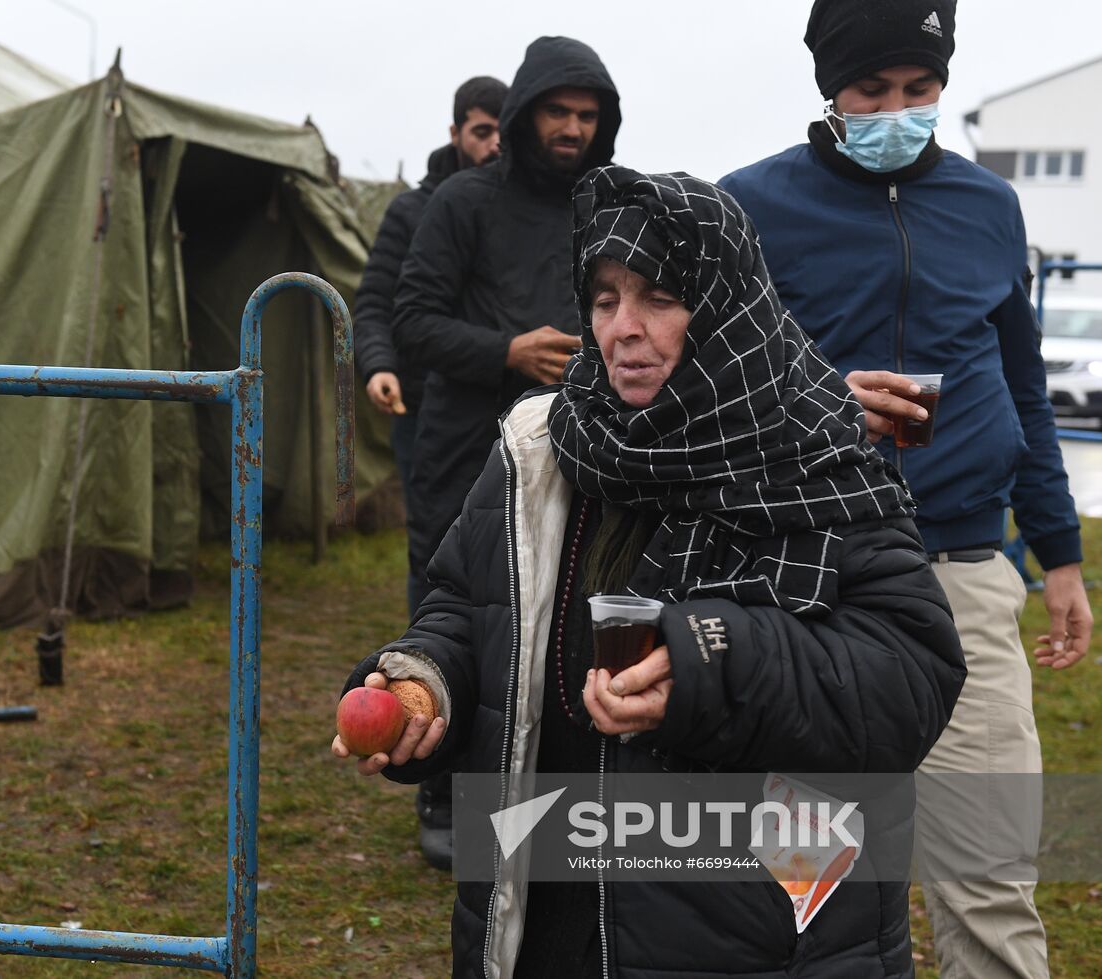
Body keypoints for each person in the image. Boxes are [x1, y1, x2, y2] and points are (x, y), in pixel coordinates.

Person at [333, 167, 966, 978]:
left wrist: (710, 660)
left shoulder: (812, 453)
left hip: (746, 938)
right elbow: (469, 603)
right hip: (546, 922)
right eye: (604, 299)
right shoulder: (544, 448)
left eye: (660, 298)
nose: (623, 328)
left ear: (726, 303)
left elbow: (909, 674)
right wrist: (427, 685)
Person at [720, 3, 1093, 976]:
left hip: (961, 569)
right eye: (871, 92)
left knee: (988, 865)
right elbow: (692, 393)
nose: (897, 110)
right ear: (829, 93)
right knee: (807, 872)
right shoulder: (748, 208)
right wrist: (815, 397)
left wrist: (1057, 554)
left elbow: (1023, 388)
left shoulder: (986, 207)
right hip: (808, 578)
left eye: (918, 91)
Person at [387, 36, 622, 872]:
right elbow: (412, 319)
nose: (572, 128)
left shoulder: (606, 204)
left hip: (577, 450)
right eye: (558, 112)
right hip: (464, 450)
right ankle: (442, 791)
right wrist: (506, 351)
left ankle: (540, 801)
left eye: (588, 115)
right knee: (459, 620)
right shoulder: (462, 202)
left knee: (561, 625)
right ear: (525, 114)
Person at [355, 75, 507, 617]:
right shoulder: (413, 212)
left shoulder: (521, 214)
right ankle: (427, 665)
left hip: (508, 408)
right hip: (423, 408)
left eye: (502, 131)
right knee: (438, 544)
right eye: (482, 130)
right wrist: (378, 365)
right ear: (455, 131)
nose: (494, 144)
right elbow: (375, 301)